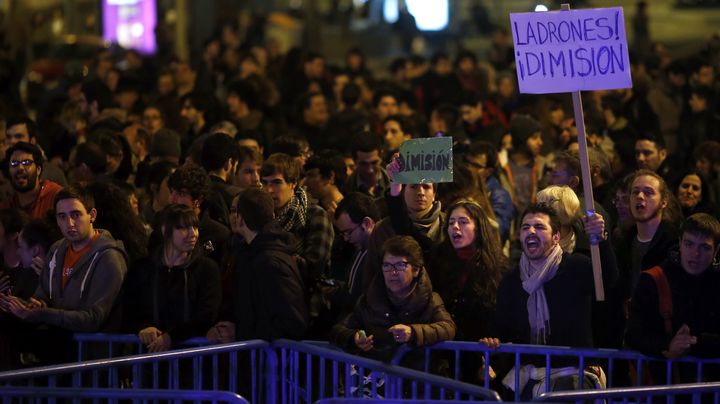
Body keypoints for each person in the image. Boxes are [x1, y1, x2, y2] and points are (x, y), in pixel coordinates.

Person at [0, 186, 128, 363]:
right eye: (62, 216)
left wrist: (43, 313)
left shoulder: (109, 257)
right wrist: (26, 305)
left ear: (92, 215)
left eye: (76, 214)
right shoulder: (56, 250)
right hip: (59, 353)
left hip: (92, 361)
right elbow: (43, 296)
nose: (69, 223)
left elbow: (93, 319)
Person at [330, 235, 456, 363]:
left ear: (416, 269)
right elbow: (339, 330)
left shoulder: (431, 300)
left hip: (416, 377)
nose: (393, 272)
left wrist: (413, 332)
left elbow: (448, 328)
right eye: (387, 265)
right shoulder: (370, 299)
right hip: (379, 377)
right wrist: (354, 338)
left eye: (400, 265)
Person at [626, 213, 720, 381]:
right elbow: (634, 334)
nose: (695, 254)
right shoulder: (654, 280)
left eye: (704, 247)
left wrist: (695, 342)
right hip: (664, 385)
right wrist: (667, 345)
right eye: (689, 244)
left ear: (716, 250)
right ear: (679, 243)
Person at [206, 188, 308, 342]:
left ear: (240, 219)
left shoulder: (270, 263)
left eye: (235, 212)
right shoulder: (248, 252)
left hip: (271, 361)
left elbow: (294, 324)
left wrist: (240, 333)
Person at [125, 204, 221, 352]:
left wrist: (171, 337)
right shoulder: (143, 269)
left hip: (192, 359)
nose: (192, 234)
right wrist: (143, 327)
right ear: (165, 230)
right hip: (149, 360)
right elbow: (130, 308)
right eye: (183, 228)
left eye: (195, 227)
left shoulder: (206, 269)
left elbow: (206, 315)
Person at [361, 154, 445, 292]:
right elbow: (372, 277)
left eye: (426, 186)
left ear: (434, 193)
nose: (420, 192)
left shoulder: (448, 225)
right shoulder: (383, 229)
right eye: (414, 186)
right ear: (402, 191)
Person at [430, 200, 508, 342]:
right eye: (451, 222)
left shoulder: (498, 267)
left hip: (485, 351)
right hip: (446, 350)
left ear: (478, 228)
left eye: (463, 222)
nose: (455, 226)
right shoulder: (437, 261)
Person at [260, 153, 334, 281]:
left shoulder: (315, 215)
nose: (269, 190)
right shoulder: (262, 215)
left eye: (277, 182)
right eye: (265, 183)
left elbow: (313, 268)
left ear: (293, 183)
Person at [1, 142, 63, 220]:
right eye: (14, 163)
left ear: (38, 170)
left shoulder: (55, 197)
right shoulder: (6, 207)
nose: (20, 168)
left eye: (26, 163)